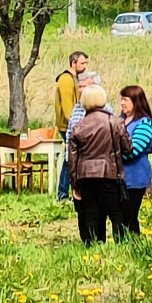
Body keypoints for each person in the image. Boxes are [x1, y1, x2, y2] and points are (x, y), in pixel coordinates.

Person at [66, 83, 124, 245]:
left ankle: (92, 244)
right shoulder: (115, 122)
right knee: (115, 211)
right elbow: (127, 146)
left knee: (91, 211)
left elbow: (72, 159)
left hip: (85, 175)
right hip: (109, 173)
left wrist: (74, 183)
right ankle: (122, 244)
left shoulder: (78, 126)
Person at [115, 83, 152, 237]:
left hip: (135, 177)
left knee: (130, 215)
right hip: (119, 177)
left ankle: (133, 245)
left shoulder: (144, 123)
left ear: (136, 101)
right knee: (118, 217)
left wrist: (113, 157)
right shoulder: (119, 120)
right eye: (121, 99)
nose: (122, 103)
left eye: (126, 99)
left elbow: (134, 150)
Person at [53, 50, 95, 201]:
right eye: (82, 63)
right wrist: (75, 124)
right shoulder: (66, 79)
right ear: (73, 63)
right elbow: (67, 108)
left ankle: (71, 192)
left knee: (72, 159)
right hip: (69, 126)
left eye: (86, 63)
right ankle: (63, 193)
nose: (85, 66)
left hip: (75, 124)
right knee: (69, 159)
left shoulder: (74, 78)